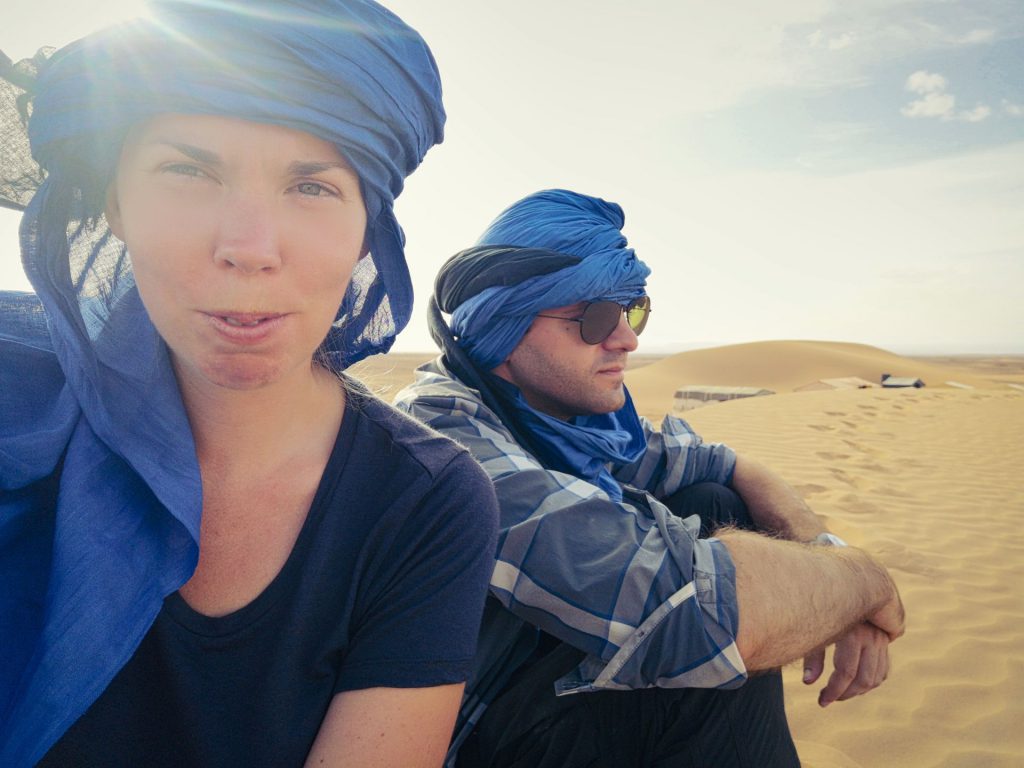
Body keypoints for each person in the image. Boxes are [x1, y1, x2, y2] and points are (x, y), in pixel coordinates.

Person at [0, 2, 500, 766]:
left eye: (313, 187)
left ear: (368, 227)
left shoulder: (423, 503)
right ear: (115, 204)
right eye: (188, 171)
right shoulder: (16, 405)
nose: (249, 248)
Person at [394, 188, 906, 767]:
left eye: (633, 310)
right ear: (502, 327)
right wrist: (865, 583)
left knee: (714, 501)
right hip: (467, 733)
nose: (628, 338)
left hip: (539, 688)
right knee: (707, 657)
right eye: (595, 317)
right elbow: (695, 607)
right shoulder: (447, 443)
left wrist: (823, 550)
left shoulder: (572, 420)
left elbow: (727, 465)